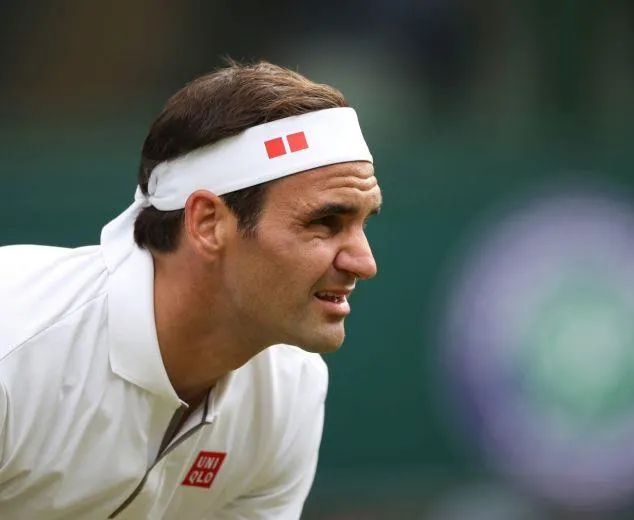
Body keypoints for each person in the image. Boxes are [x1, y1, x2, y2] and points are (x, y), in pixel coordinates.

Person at [0, 60, 382, 519]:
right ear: (207, 223)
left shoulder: (292, 387)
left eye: (363, 223)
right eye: (324, 222)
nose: (364, 263)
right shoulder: (11, 338)